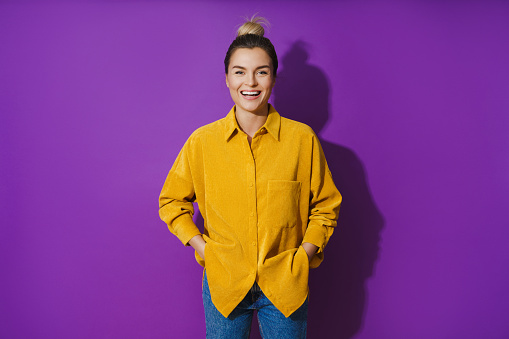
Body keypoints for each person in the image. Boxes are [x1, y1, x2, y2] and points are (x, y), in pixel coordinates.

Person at [159, 16, 342, 338]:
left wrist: (304, 255)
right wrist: (202, 247)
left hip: (285, 286)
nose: (251, 82)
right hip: (224, 283)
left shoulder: (302, 140)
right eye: (240, 71)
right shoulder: (202, 142)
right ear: (227, 78)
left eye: (262, 72)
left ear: (273, 79)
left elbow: (326, 205)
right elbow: (172, 201)